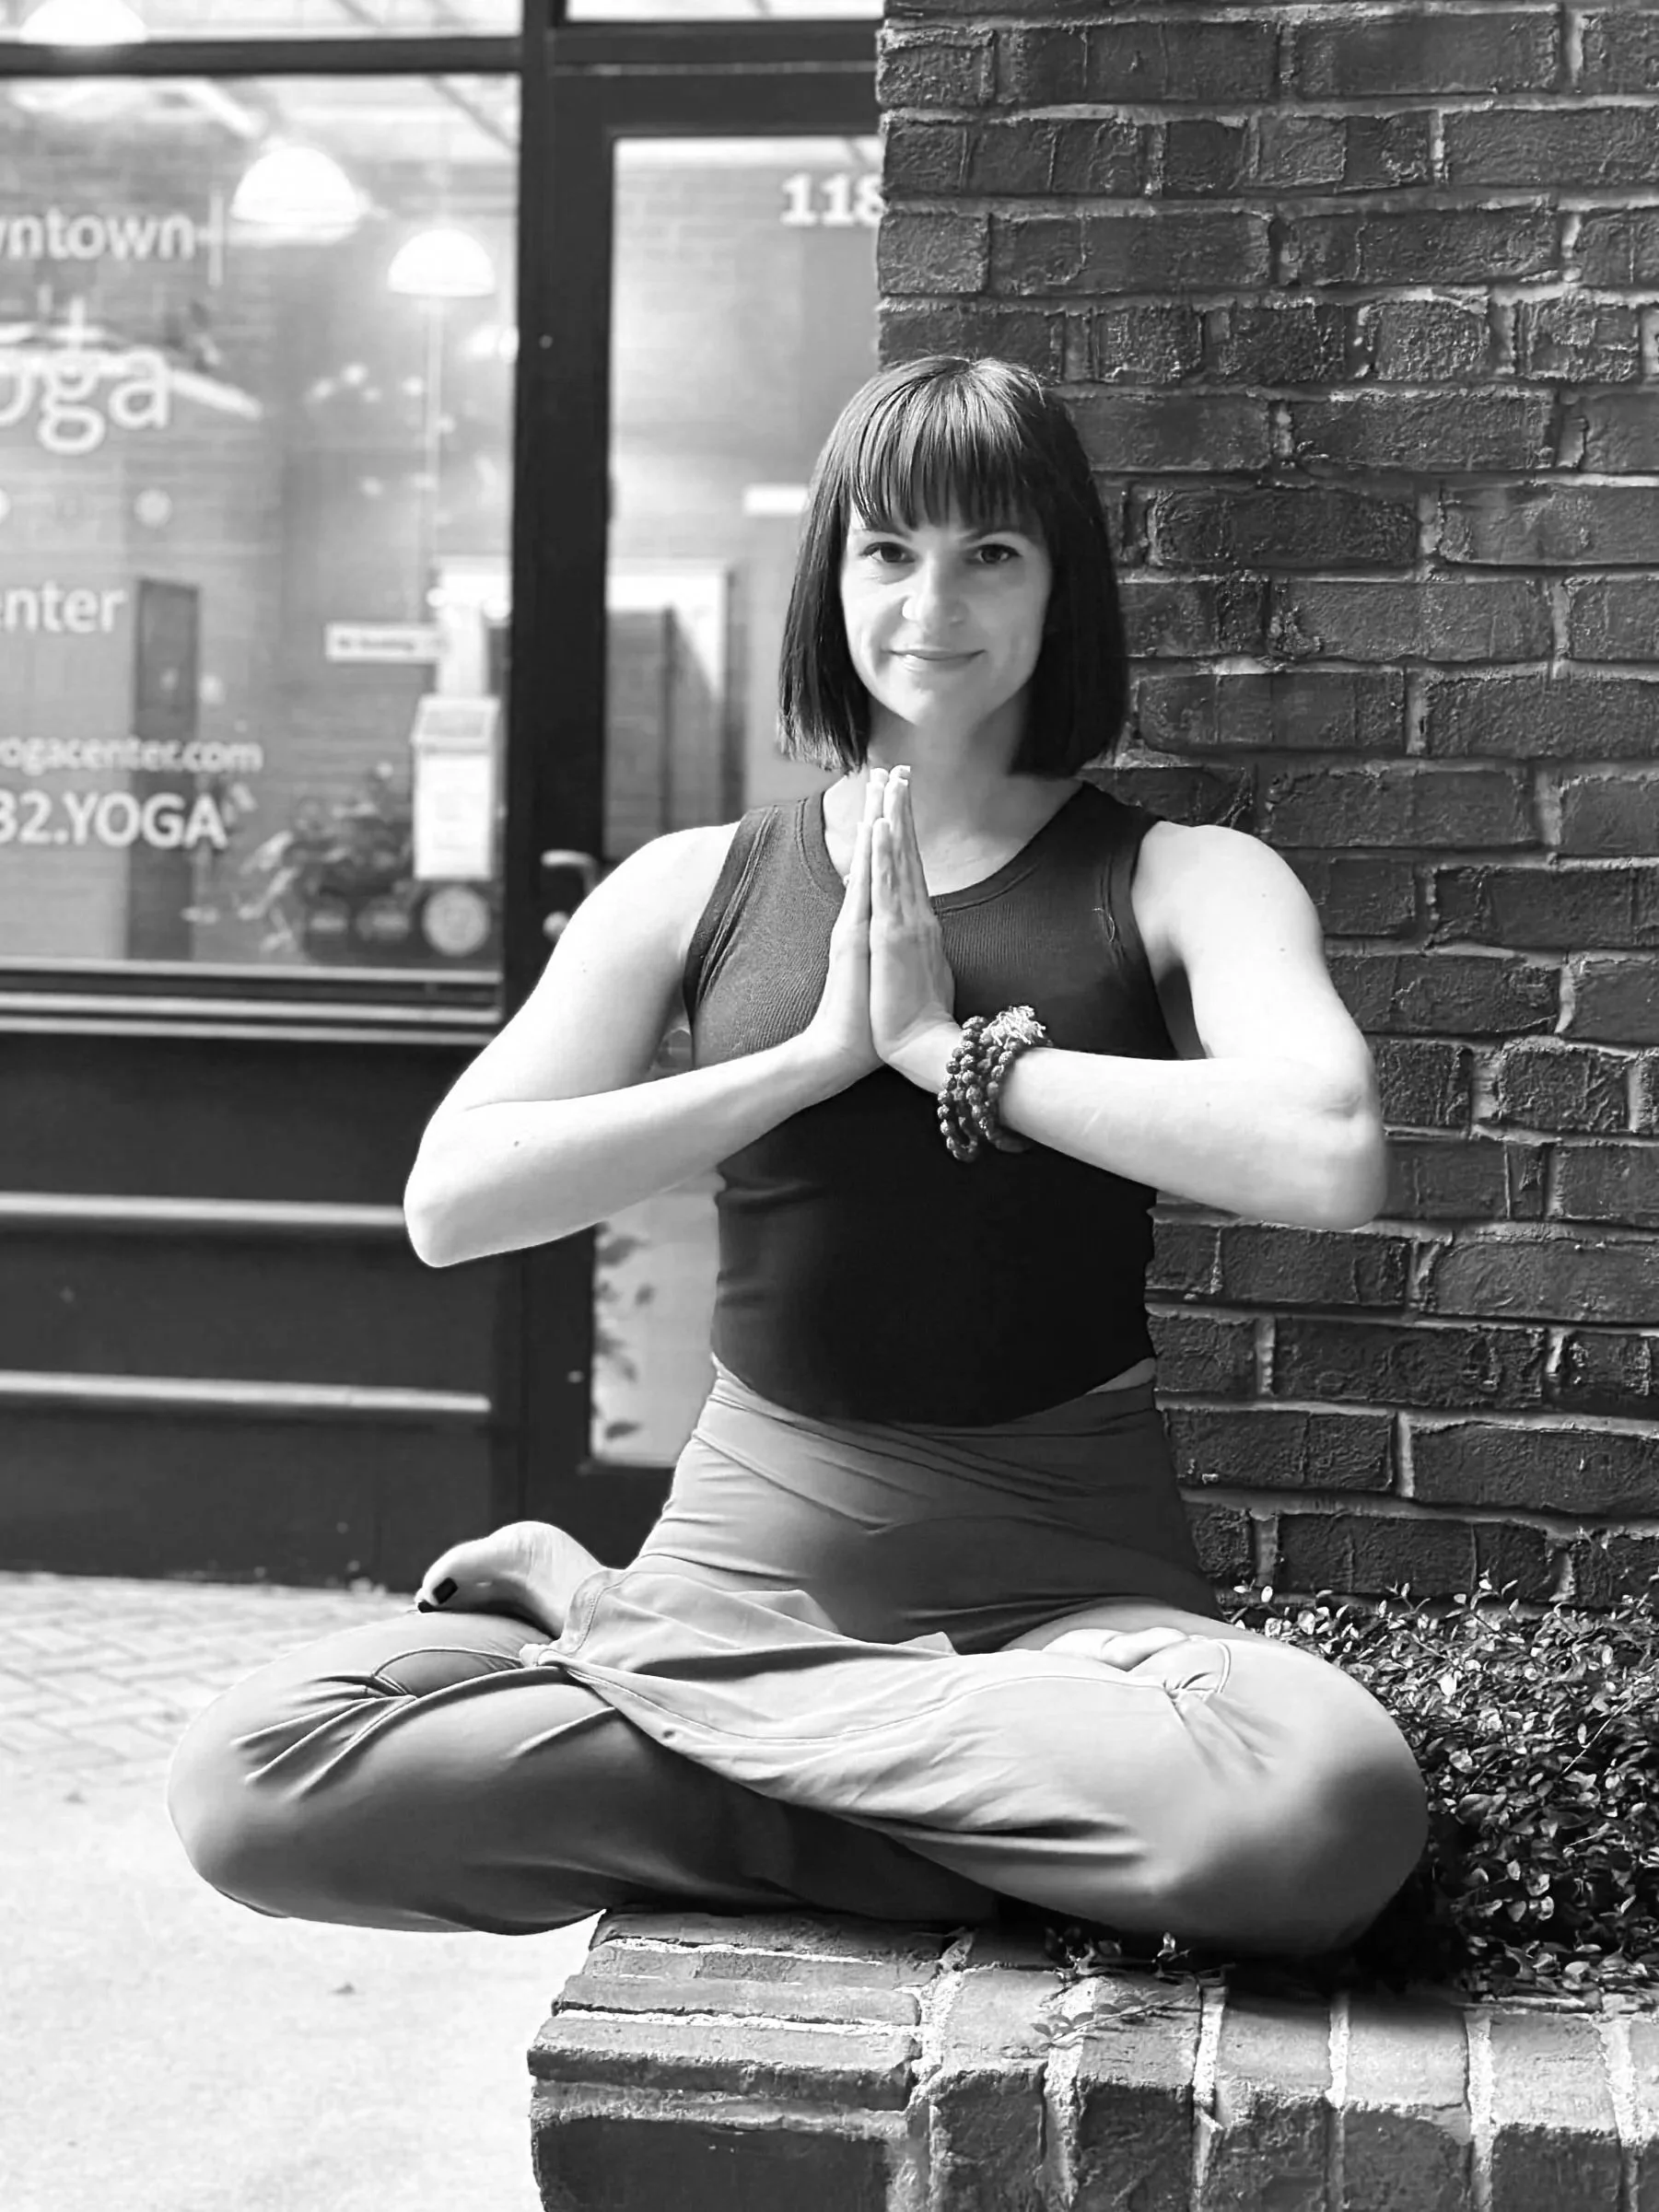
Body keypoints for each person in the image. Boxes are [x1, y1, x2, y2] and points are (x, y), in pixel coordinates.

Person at [168, 355, 1428, 1958]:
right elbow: (453, 1196)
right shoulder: (696, 882)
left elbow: (1327, 1152)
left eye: (992, 553)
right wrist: (807, 1058)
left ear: (1060, 584)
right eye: (887, 551)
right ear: (831, 571)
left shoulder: (1186, 876)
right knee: (254, 1779)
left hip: (1068, 1601)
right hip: (744, 1570)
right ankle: (951, 1794)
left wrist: (944, 1055)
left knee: (1324, 1808)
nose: (931, 600)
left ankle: (634, 1649)